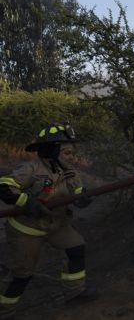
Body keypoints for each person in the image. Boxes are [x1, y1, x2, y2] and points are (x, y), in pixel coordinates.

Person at [0, 123, 97, 318]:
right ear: (52, 150)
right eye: (67, 152)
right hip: (27, 230)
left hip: (56, 225)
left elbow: (77, 197)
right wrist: (28, 203)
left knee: (76, 247)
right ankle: (5, 310)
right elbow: (4, 186)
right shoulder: (31, 169)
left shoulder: (69, 172)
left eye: (72, 152)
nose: (72, 156)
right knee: (22, 274)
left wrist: (84, 199)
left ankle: (75, 292)